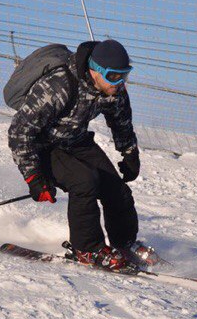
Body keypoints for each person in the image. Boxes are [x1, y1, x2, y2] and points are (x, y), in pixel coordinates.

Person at [8, 39, 158, 271]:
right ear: (95, 71)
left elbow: (121, 121)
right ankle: (88, 249)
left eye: (124, 75)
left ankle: (124, 244)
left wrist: (129, 153)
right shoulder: (58, 86)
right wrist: (34, 177)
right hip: (44, 146)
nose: (120, 82)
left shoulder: (114, 91)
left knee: (116, 190)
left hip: (76, 140)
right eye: (113, 76)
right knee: (85, 181)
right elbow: (20, 131)